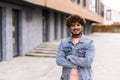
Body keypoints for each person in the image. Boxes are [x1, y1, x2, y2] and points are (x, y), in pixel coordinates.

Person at [56, 14, 95, 80]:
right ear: (69, 27)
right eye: (72, 25)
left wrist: (70, 57)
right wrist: (78, 65)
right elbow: (59, 61)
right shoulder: (63, 43)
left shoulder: (89, 43)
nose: (75, 27)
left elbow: (88, 62)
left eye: (78, 25)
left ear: (82, 26)